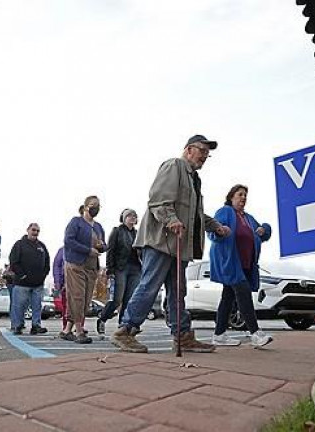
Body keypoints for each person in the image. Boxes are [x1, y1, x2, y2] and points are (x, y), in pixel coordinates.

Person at [111, 134, 231, 353]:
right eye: (201, 151)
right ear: (188, 150)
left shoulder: (194, 179)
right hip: (161, 241)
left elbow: (195, 214)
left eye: (207, 153)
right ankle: (125, 331)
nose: (204, 156)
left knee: (178, 292)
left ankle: (182, 335)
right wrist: (171, 220)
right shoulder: (174, 165)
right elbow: (158, 200)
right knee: (150, 286)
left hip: (179, 244)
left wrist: (215, 226)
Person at [209, 184, 273, 347]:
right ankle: (255, 333)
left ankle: (219, 335)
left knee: (227, 299)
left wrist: (263, 229)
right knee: (243, 294)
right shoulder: (225, 212)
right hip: (229, 262)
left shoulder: (248, 218)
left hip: (245, 264)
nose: (243, 197)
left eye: (245, 195)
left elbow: (264, 233)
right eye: (240, 194)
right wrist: (219, 230)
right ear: (231, 197)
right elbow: (213, 231)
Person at [59, 196, 107, 344]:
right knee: (77, 296)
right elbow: (68, 241)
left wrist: (101, 247)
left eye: (98, 205)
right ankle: (79, 331)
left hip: (91, 266)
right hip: (75, 264)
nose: (96, 208)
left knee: (86, 299)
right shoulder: (76, 222)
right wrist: (87, 250)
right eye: (93, 205)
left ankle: (67, 330)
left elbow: (104, 244)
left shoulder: (98, 227)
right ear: (85, 207)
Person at [97, 208, 142, 337]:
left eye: (134, 216)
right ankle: (102, 318)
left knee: (129, 300)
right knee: (117, 299)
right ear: (123, 218)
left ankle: (123, 327)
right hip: (120, 268)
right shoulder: (117, 231)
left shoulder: (137, 233)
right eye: (129, 216)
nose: (132, 218)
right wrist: (110, 269)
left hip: (135, 269)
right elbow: (110, 250)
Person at [8, 223, 51, 335]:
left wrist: (43, 275)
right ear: (28, 230)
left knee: (37, 306)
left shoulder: (41, 246)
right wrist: (22, 275)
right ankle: (18, 326)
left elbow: (47, 262)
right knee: (19, 306)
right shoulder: (19, 244)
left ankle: (36, 325)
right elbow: (13, 261)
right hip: (22, 283)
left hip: (38, 283)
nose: (35, 232)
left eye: (37, 231)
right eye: (33, 230)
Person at [52, 247, 68, 328]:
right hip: (65, 282)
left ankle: (79, 327)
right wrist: (58, 283)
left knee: (81, 305)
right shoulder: (62, 251)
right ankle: (66, 327)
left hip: (81, 280)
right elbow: (56, 266)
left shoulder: (85, 248)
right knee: (66, 306)